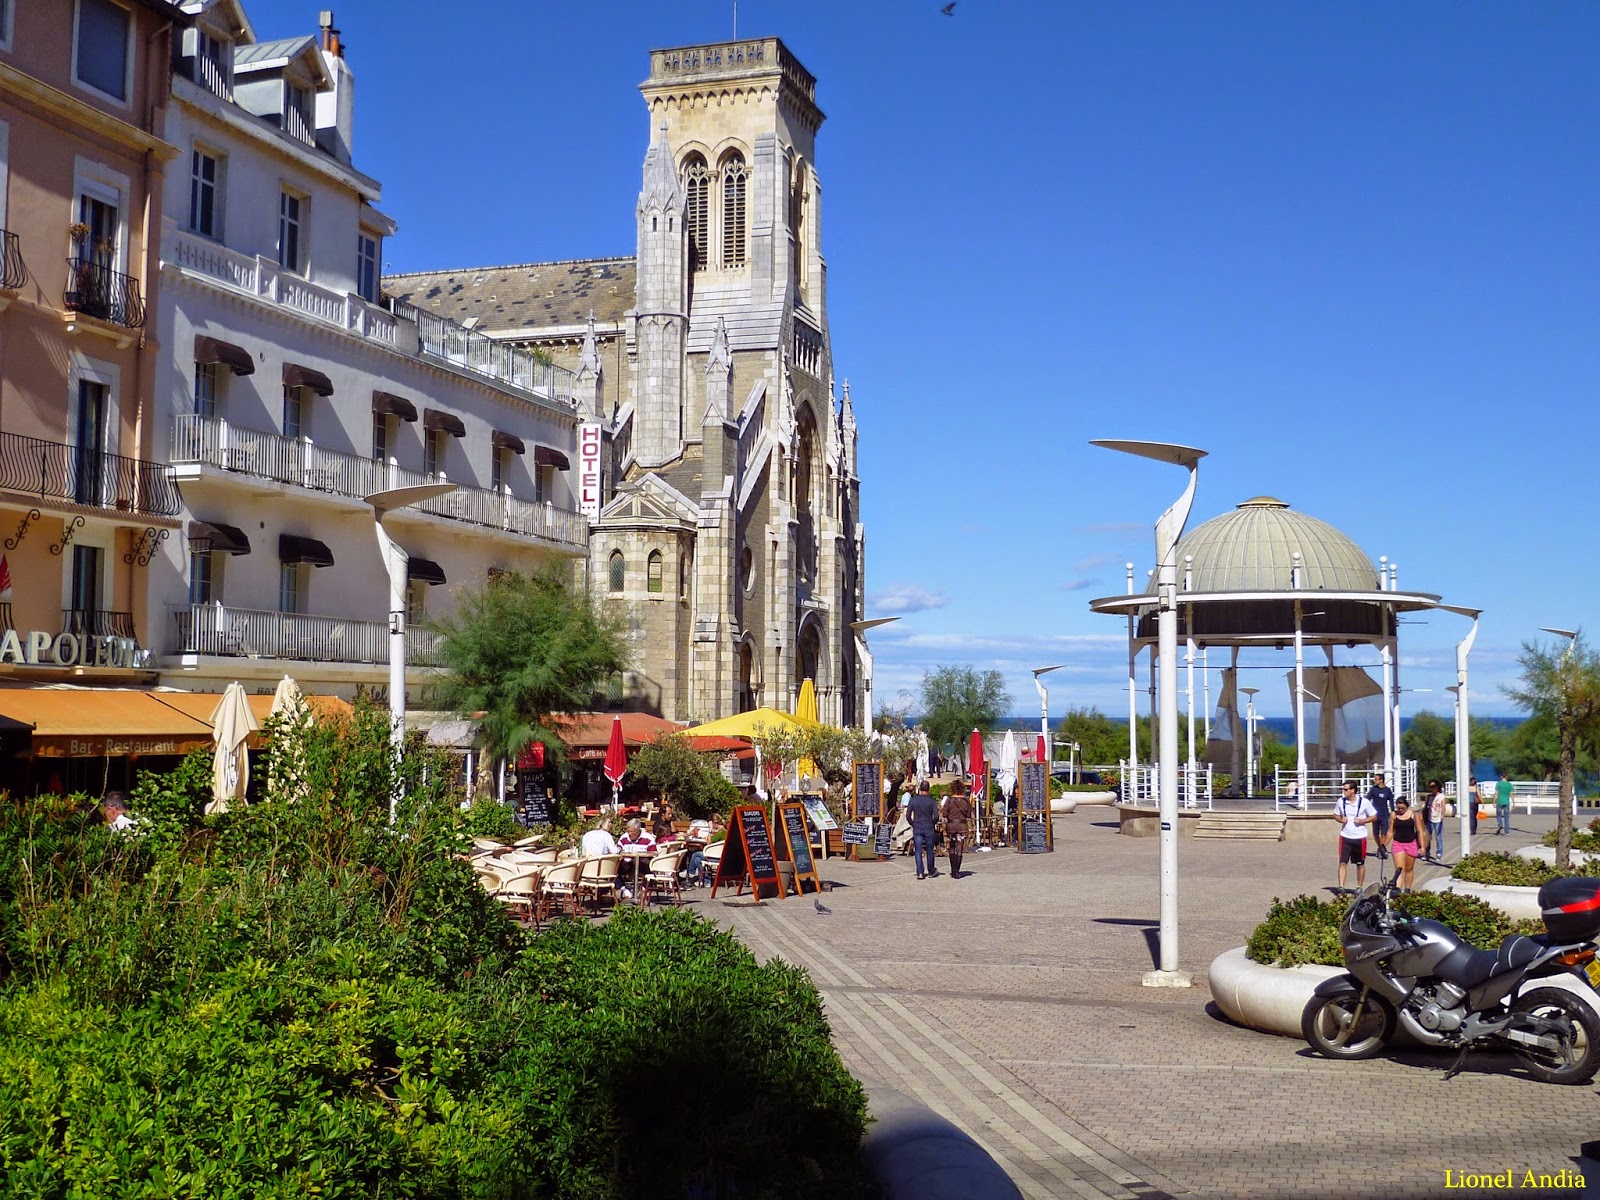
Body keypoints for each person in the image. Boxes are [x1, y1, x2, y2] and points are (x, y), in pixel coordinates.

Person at [1336, 780, 1377, 890]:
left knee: (1360, 863)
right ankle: (1341, 886)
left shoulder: (1364, 802)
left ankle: (1359, 886)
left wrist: (1363, 820)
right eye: (1343, 789)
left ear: (1353, 790)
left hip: (1359, 837)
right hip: (1345, 836)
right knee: (1343, 862)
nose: (1343, 792)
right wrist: (1341, 819)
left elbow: (1374, 816)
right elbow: (1335, 815)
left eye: (1346, 789)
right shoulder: (1341, 802)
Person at [1385, 797, 1427, 891]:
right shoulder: (1394, 815)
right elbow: (1390, 831)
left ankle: (1407, 889)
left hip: (1411, 843)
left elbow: (1420, 831)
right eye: (1398, 808)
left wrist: (1423, 847)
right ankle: (1397, 889)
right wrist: (1383, 845)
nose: (1400, 810)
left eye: (1402, 808)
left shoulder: (1414, 815)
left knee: (1409, 868)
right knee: (1399, 869)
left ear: (1407, 806)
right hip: (1398, 844)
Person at [941, 779, 974, 879]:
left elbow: (945, 814)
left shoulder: (949, 800)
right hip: (962, 826)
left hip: (951, 825)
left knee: (951, 847)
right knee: (959, 848)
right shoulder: (966, 801)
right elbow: (968, 815)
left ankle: (952, 870)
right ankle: (957, 871)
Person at [907, 780, 940, 879]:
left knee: (918, 850)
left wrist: (913, 823)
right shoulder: (932, 801)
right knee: (930, 850)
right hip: (928, 826)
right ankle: (931, 870)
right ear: (928, 789)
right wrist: (932, 823)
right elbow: (937, 816)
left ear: (920, 789)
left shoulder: (913, 800)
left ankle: (920, 872)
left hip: (917, 826)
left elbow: (908, 815)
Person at [1367, 774, 1394, 860]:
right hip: (1375, 815)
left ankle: (1382, 849)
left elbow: (1391, 801)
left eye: (1376, 779)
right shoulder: (1373, 790)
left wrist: (1393, 812)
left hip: (1384, 814)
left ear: (1381, 780)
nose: (1375, 781)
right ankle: (1380, 847)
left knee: (1383, 833)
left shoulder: (1387, 790)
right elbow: (1367, 799)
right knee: (1375, 834)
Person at [1425, 780, 1447, 863]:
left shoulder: (1441, 796)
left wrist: (1442, 817)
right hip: (1429, 818)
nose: (1432, 788)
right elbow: (1426, 807)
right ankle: (1427, 853)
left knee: (1438, 838)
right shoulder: (1429, 796)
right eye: (1430, 787)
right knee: (1427, 837)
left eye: (1433, 786)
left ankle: (1439, 854)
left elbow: (1443, 807)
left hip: (1438, 819)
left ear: (1437, 787)